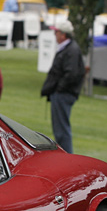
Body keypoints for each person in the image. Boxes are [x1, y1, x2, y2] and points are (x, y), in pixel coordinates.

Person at [40, 20, 87, 153]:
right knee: (59, 129)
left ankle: (66, 157)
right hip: (61, 93)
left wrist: (58, 88)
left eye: (56, 32)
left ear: (63, 34)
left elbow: (71, 74)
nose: (55, 35)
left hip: (63, 94)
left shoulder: (71, 50)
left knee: (62, 130)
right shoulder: (68, 48)